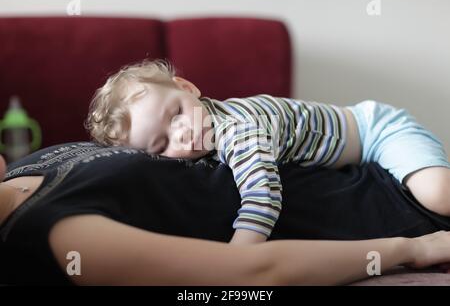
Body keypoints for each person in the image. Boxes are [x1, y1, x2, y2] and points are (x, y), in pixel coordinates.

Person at [85, 59, 450, 245]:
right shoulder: (201, 132)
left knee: (438, 195)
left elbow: (263, 195)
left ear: (188, 87)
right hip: (351, 148)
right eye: (162, 145)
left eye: (176, 114)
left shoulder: (238, 132)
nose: (183, 135)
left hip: (376, 129)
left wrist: (237, 255)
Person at [1, 143, 450, 285]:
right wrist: (411, 247)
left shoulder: (22, 167)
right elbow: (251, 272)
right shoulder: (59, 234)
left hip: (381, 171)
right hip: (388, 214)